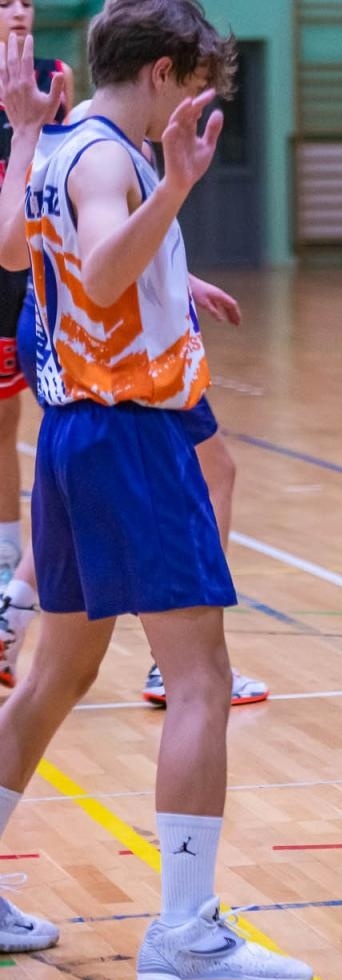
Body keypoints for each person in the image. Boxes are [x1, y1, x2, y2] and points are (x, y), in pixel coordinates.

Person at [0, 4, 309, 980]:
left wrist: (174, 275)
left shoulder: (58, 143)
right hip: (132, 433)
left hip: (73, 434)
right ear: (167, 72)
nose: (202, 99)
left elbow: (20, 250)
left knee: (56, 674)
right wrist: (175, 187)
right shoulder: (112, 161)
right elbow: (94, 273)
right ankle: (184, 934)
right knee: (202, 677)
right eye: (200, 81)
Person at [0, 86, 266, 708]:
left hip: (67, 339)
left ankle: (10, 621)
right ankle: (165, 657)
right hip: (117, 354)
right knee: (212, 473)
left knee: (84, 506)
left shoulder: (83, 129)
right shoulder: (108, 140)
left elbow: (60, 237)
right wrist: (174, 191)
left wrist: (182, 276)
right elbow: (87, 259)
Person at [0, 0, 71, 592]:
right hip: (3, 258)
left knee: (57, 422)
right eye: (5, 3)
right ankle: (10, 565)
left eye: (26, 0)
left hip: (39, 272)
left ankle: (26, 575)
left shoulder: (57, 77)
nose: (19, 11)